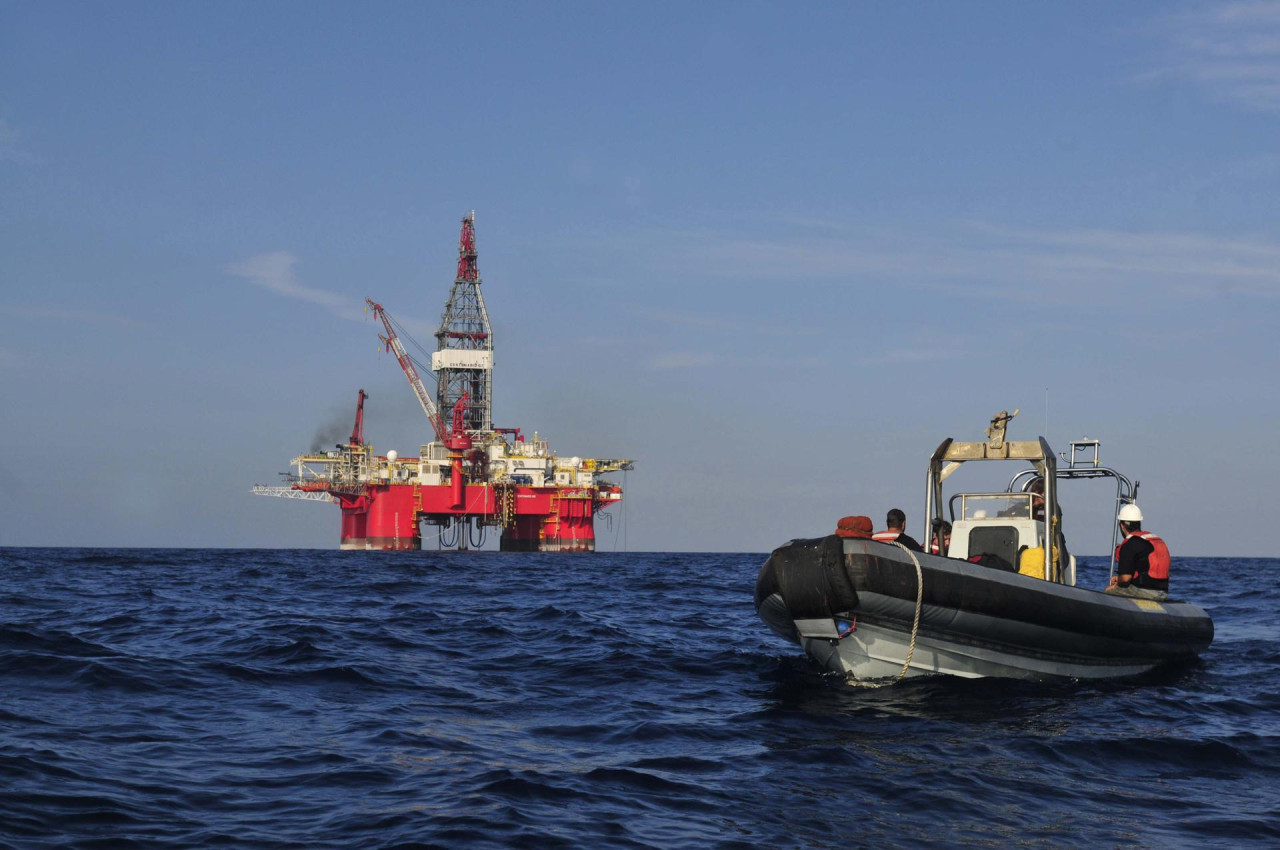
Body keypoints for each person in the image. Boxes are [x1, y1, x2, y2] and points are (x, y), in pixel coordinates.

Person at [1104, 504, 1170, 601]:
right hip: (1163, 592)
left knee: (1108, 591)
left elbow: (1125, 579)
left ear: (1122, 526)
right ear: (1139, 522)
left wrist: (1117, 583)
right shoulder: (1152, 539)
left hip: (1144, 592)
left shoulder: (1129, 544)